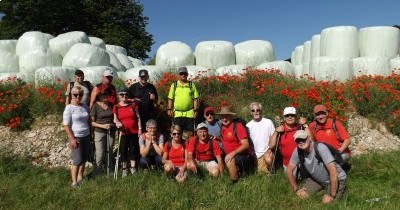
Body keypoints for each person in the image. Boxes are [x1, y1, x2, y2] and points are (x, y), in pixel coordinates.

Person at [286, 130, 347, 204]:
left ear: (309, 138)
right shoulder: (298, 150)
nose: (301, 142)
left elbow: (333, 171)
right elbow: (289, 170)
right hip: (317, 179)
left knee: (327, 203)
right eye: (298, 140)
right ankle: (324, 190)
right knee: (302, 196)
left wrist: (332, 195)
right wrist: (296, 190)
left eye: (303, 139)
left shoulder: (320, 148)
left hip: (337, 179)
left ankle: (338, 191)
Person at [63, 86, 91, 187]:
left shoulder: (85, 106)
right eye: (75, 94)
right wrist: (72, 139)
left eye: (80, 94)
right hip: (76, 137)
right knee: (77, 160)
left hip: (86, 135)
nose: (78, 96)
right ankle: (74, 182)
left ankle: (80, 177)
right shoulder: (69, 108)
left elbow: (88, 120)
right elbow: (66, 125)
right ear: (72, 95)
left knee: (83, 159)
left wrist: (90, 134)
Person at [217, 106, 254, 182]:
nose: (224, 119)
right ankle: (236, 174)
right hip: (232, 154)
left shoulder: (238, 127)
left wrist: (232, 153)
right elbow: (226, 140)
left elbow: (246, 144)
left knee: (230, 160)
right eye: (222, 117)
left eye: (226, 116)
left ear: (231, 116)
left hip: (243, 155)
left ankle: (234, 183)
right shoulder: (222, 127)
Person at [114, 87, 142, 177]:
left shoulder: (133, 105)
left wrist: (140, 129)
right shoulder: (116, 107)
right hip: (123, 132)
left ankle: (133, 168)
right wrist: (117, 123)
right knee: (123, 151)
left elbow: (138, 117)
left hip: (134, 132)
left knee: (133, 150)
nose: (124, 96)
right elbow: (115, 119)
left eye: (126, 94)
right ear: (119, 96)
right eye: (122, 94)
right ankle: (124, 169)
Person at [167, 66, 199, 135]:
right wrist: (169, 109)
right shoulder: (174, 85)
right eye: (181, 73)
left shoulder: (191, 84)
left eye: (185, 73)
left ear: (187, 74)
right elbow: (170, 98)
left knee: (189, 134)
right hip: (177, 113)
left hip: (189, 113)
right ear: (179, 75)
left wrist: (195, 110)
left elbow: (195, 98)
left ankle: (188, 145)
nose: (183, 75)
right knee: (177, 133)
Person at [246, 102, 275, 174]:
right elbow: (248, 142)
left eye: (257, 110)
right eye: (253, 110)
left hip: (267, 151)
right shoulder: (248, 126)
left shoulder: (268, 122)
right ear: (251, 113)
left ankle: (272, 173)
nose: (256, 112)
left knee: (268, 160)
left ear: (261, 111)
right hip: (255, 153)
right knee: (260, 172)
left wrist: (271, 149)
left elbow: (273, 137)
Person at [90, 92, 115, 176]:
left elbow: (115, 118)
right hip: (99, 131)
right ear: (99, 96)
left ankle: (110, 170)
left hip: (110, 130)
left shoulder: (111, 105)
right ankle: (96, 172)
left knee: (110, 151)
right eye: (103, 95)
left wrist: (112, 124)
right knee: (100, 153)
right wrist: (103, 126)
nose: (105, 96)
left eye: (107, 95)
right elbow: (92, 123)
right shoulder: (96, 106)